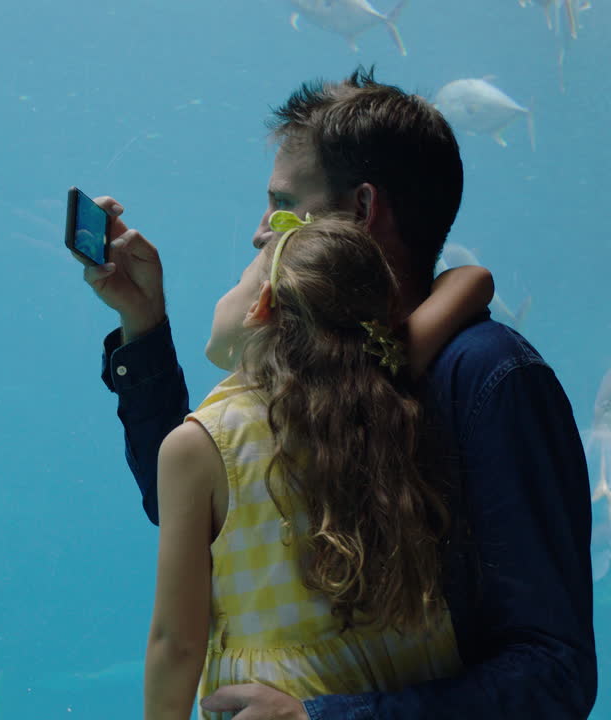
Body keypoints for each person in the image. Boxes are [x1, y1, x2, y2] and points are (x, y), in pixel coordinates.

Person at [83, 67, 596, 719]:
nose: (260, 233)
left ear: (361, 209)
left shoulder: (490, 378)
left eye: (282, 204)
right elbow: (198, 508)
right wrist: (144, 325)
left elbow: (553, 672)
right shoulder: (314, 370)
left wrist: (322, 717)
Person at [144, 211, 490, 719]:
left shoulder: (199, 448)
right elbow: (472, 279)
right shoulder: (395, 394)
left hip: (278, 699)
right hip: (409, 688)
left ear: (262, 305)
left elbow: (176, 643)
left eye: (237, 283)